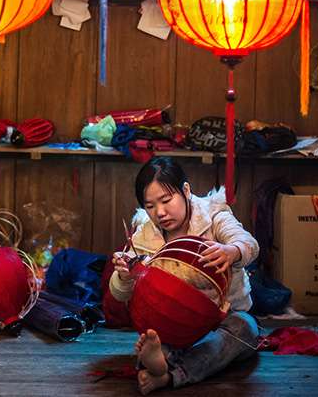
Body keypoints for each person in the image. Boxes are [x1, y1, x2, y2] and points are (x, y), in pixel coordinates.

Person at [110, 157, 260, 394]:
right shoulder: (143, 236)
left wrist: (231, 251)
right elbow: (119, 294)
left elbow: (249, 244)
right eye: (150, 206)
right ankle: (159, 359)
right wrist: (125, 276)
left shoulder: (214, 214)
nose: (160, 212)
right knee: (157, 336)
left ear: (186, 190)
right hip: (178, 322)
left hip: (227, 317)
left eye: (167, 200)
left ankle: (166, 372)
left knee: (245, 332)